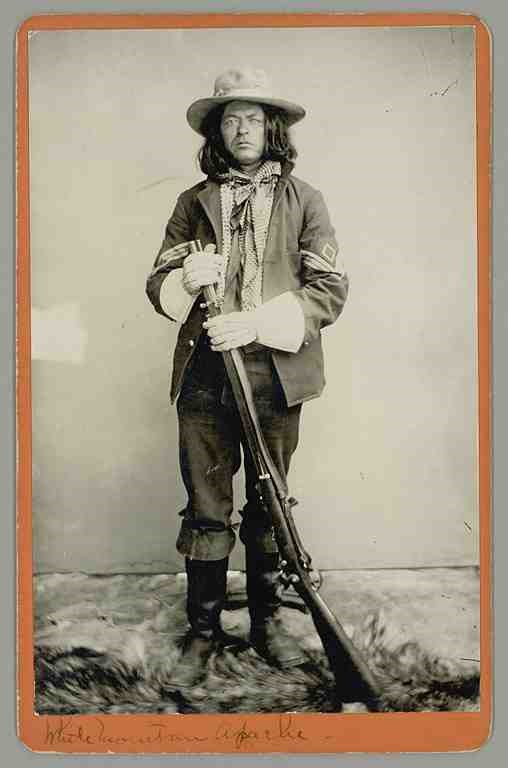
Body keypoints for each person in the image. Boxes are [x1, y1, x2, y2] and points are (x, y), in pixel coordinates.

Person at [146, 67, 349, 689]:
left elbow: (329, 290)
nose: (242, 129)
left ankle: (268, 624)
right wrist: (186, 277)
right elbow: (157, 282)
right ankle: (203, 633)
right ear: (216, 130)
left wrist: (260, 323)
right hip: (207, 377)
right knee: (208, 507)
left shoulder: (305, 199)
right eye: (230, 118)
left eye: (254, 118)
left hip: (275, 375)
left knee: (268, 503)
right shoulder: (192, 201)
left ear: (272, 128)